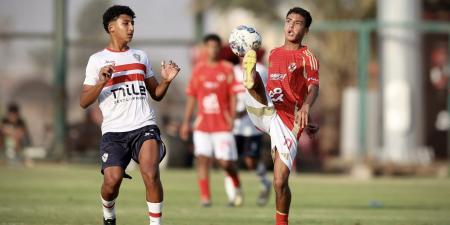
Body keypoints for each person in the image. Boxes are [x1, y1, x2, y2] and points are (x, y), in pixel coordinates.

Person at [79, 5, 181, 225]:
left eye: (133, 23)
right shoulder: (96, 60)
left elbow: (156, 94)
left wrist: (167, 81)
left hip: (144, 125)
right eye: (126, 23)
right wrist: (101, 81)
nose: (131, 28)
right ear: (111, 27)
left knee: (151, 173)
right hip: (114, 132)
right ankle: (109, 214)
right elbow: (84, 101)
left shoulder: (140, 56)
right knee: (112, 181)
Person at [241, 7, 319, 225]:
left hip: (289, 121)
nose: (291, 26)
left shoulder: (308, 57)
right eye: (288, 21)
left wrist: (306, 111)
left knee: (279, 181)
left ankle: (281, 223)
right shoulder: (274, 53)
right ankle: (250, 76)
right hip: (266, 109)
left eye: (298, 23)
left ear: (306, 30)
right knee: (258, 83)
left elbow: (313, 88)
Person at [180, 34, 243, 207]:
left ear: (220, 49)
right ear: (205, 48)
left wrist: (232, 115)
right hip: (202, 125)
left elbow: (233, 95)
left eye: (216, 47)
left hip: (222, 124)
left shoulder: (227, 68)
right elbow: (192, 96)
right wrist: (186, 122)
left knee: (225, 163)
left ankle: (237, 185)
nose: (213, 50)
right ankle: (205, 198)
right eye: (210, 46)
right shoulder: (199, 69)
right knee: (202, 158)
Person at [232, 55, 271, 206]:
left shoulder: (261, 70)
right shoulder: (233, 71)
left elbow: (263, 95)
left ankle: (265, 183)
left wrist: (245, 111)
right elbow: (230, 94)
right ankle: (235, 193)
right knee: (229, 162)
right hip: (234, 126)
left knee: (250, 161)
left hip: (253, 125)